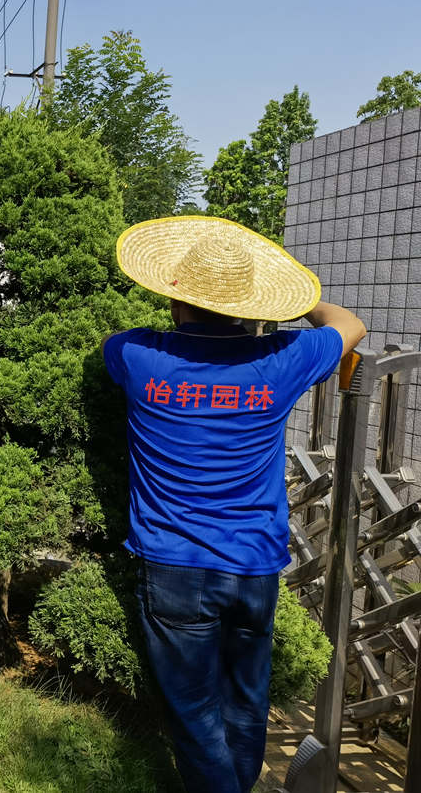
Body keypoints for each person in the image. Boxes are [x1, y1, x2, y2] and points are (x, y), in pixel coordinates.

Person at [102, 217, 366, 793]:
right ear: (251, 306)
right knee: (246, 707)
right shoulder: (283, 357)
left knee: (195, 720)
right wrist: (299, 301)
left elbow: (114, 346)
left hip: (173, 566)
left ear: (175, 297)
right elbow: (350, 323)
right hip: (253, 565)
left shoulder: (135, 355)